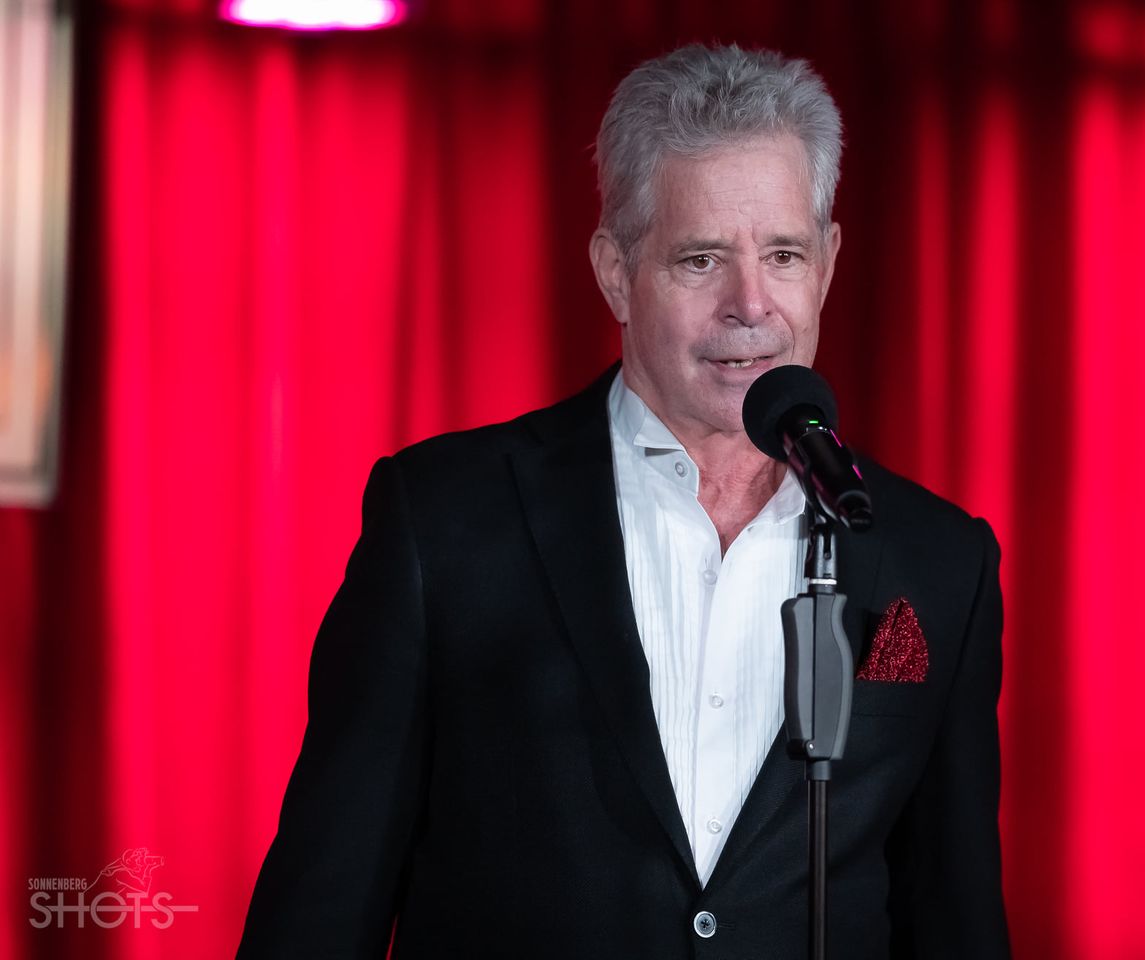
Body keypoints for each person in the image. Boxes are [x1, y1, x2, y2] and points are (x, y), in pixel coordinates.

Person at [238, 43, 1008, 958]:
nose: (750, 303)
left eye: (783, 254)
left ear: (829, 263)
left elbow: (953, 914)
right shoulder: (443, 520)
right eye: (700, 259)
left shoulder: (938, 559)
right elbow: (325, 903)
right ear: (615, 271)